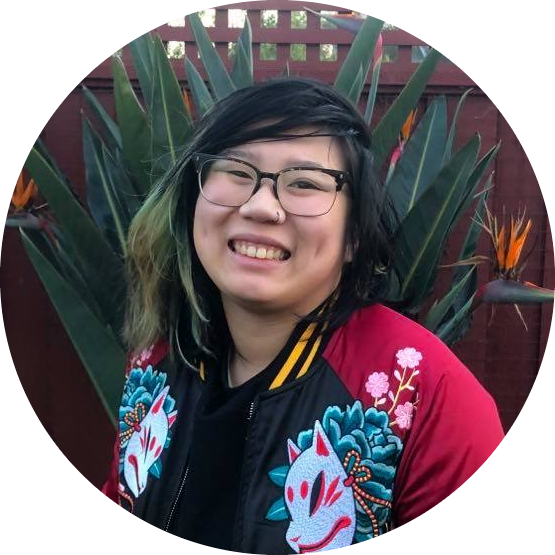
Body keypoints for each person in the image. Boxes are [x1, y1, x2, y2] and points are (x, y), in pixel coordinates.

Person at [101, 76, 504, 551]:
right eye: (236, 171)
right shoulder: (154, 365)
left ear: (354, 236)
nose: (261, 206)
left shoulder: (425, 395)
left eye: (305, 183)